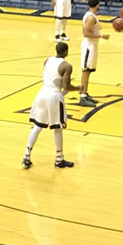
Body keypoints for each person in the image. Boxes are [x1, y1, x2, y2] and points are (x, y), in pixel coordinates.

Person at [23, 40, 75, 170]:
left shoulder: (47, 60)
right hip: (53, 97)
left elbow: (52, 79)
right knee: (57, 128)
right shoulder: (66, 66)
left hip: (41, 94)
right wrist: (78, 88)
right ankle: (59, 159)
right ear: (66, 52)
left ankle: (26, 156)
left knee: (37, 126)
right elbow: (65, 85)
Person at [76, 0, 103, 106]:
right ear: (97, 5)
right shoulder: (91, 17)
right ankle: (82, 96)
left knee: (89, 70)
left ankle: (85, 93)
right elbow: (86, 33)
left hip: (92, 45)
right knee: (85, 70)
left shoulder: (91, 16)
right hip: (89, 45)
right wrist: (101, 35)